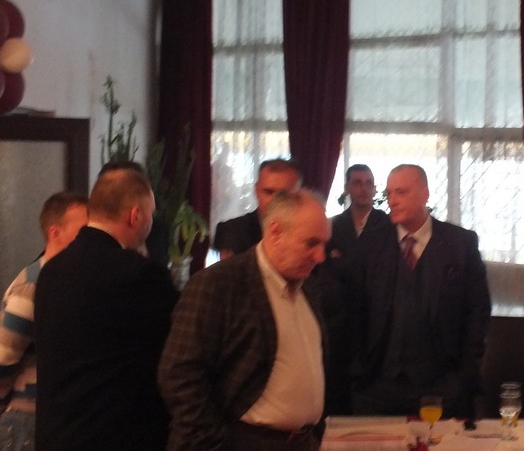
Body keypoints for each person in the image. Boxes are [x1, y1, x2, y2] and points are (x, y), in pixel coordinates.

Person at [159, 188, 330, 451]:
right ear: (275, 232)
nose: (320, 256)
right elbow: (179, 375)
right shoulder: (218, 284)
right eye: (311, 243)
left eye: (324, 244)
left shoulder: (307, 288)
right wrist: (214, 443)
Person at [34, 168, 178, 451]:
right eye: (150, 214)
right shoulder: (140, 275)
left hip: (56, 435)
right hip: (114, 436)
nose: (151, 222)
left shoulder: (51, 270)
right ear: (135, 215)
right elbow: (174, 352)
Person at [349, 164, 491, 418]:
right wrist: (358, 370)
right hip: (378, 386)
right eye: (389, 193)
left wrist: (464, 375)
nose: (392, 200)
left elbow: (478, 311)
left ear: (425, 194)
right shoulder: (371, 243)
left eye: (401, 192)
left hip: (442, 386)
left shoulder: (460, 243)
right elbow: (356, 309)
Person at [0, 191, 88, 450]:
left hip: (55, 418)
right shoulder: (33, 284)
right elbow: (3, 358)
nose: (90, 239)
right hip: (25, 419)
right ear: (55, 233)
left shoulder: (70, 279)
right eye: (83, 231)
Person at [313, 164, 390, 415]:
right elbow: (323, 272)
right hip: (339, 322)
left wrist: (343, 262)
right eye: (357, 182)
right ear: (347, 188)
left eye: (369, 183)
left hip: (377, 319)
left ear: (375, 188)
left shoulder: (389, 226)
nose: (363, 189)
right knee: (338, 390)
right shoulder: (332, 227)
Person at [214, 158, 303, 259]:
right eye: (268, 192)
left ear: (299, 195)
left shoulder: (311, 233)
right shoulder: (233, 230)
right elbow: (230, 269)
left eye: (283, 194)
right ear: (256, 190)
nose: (274, 201)